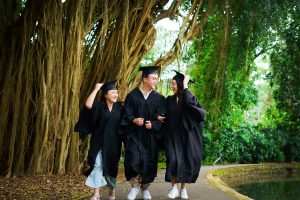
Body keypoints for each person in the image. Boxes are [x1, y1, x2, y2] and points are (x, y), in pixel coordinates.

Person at [159, 71, 206, 199]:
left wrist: (185, 85)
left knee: (185, 161)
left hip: (186, 137)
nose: (172, 86)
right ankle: (173, 188)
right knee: (173, 160)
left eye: (174, 84)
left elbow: (194, 108)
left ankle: (183, 189)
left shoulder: (189, 99)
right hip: (171, 135)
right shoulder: (169, 100)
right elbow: (164, 114)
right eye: (171, 84)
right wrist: (159, 117)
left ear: (180, 84)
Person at [121, 66, 166, 200]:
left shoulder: (159, 98)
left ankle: (145, 189)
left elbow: (164, 119)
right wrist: (134, 120)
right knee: (133, 159)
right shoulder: (132, 96)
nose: (155, 81)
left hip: (150, 137)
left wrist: (154, 124)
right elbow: (125, 115)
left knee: (148, 161)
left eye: (156, 79)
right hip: (134, 135)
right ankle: (134, 187)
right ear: (145, 79)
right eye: (153, 79)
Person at [74, 81, 123, 200]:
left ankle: (112, 190)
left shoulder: (120, 108)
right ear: (105, 95)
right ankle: (96, 194)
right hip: (98, 142)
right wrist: (96, 89)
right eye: (113, 92)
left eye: (116, 92)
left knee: (112, 166)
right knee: (97, 165)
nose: (116, 94)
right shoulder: (99, 106)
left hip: (114, 143)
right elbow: (88, 105)